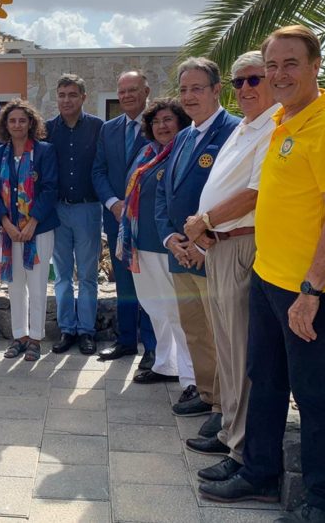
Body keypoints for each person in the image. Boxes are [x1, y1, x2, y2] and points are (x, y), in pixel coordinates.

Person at [200, 26, 325, 523]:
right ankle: (260, 471)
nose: (278, 75)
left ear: (315, 66)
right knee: (264, 380)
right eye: (272, 66)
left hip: (308, 289)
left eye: (290, 64)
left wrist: (310, 290)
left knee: (315, 396)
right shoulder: (283, 124)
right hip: (270, 278)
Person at [180, 51, 279, 478]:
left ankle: (241, 452)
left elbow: (255, 193)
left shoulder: (275, 127)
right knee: (227, 349)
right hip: (219, 246)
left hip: (241, 244)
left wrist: (204, 221)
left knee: (240, 353)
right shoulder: (245, 127)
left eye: (253, 80)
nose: (245, 89)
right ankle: (228, 432)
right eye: (239, 82)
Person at [155, 58, 240, 426]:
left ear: (216, 89)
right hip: (179, 253)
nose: (189, 97)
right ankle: (207, 395)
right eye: (184, 89)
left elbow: (236, 194)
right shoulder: (183, 137)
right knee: (196, 330)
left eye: (197, 88)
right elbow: (164, 191)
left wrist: (201, 245)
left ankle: (225, 407)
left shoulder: (234, 132)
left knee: (221, 334)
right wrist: (171, 237)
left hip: (212, 253)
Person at [119, 99, 194, 390]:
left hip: (168, 245)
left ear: (180, 123)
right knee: (155, 309)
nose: (161, 126)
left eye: (168, 120)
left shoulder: (182, 153)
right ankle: (166, 364)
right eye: (156, 121)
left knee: (176, 312)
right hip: (141, 243)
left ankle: (190, 378)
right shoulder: (145, 153)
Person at [93, 71, 157, 369]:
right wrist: (113, 202)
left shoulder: (161, 124)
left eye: (133, 90)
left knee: (151, 285)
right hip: (117, 220)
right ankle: (127, 341)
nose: (127, 96)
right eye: (122, 91)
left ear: (146, 91)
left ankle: (153, 349)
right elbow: (99, 171)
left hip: (150, 223)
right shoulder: (109, 129)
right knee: (125, 284)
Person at [0, 99, 59, 362]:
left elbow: (50, 188)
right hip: (10, 233)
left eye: (22, 120)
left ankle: (36, 339)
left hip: (38, 231)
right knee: (15, 286)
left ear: (31, 123)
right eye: (12, 120)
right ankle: (19, 337)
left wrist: (32, 223)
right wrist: (5, 223)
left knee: (37, 285)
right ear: (5, 125)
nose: (17, 125)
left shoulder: (45, 151)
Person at [46, 74, 104, 355]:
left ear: (83, 97)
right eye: (61, 95)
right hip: (58, 210)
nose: (66, 100)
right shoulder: (46, 130)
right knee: (62, 275)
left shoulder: (98, 128)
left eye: (72, 95)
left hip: (88, 209)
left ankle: (86, 331)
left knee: (88, 274)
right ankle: (67, 329)